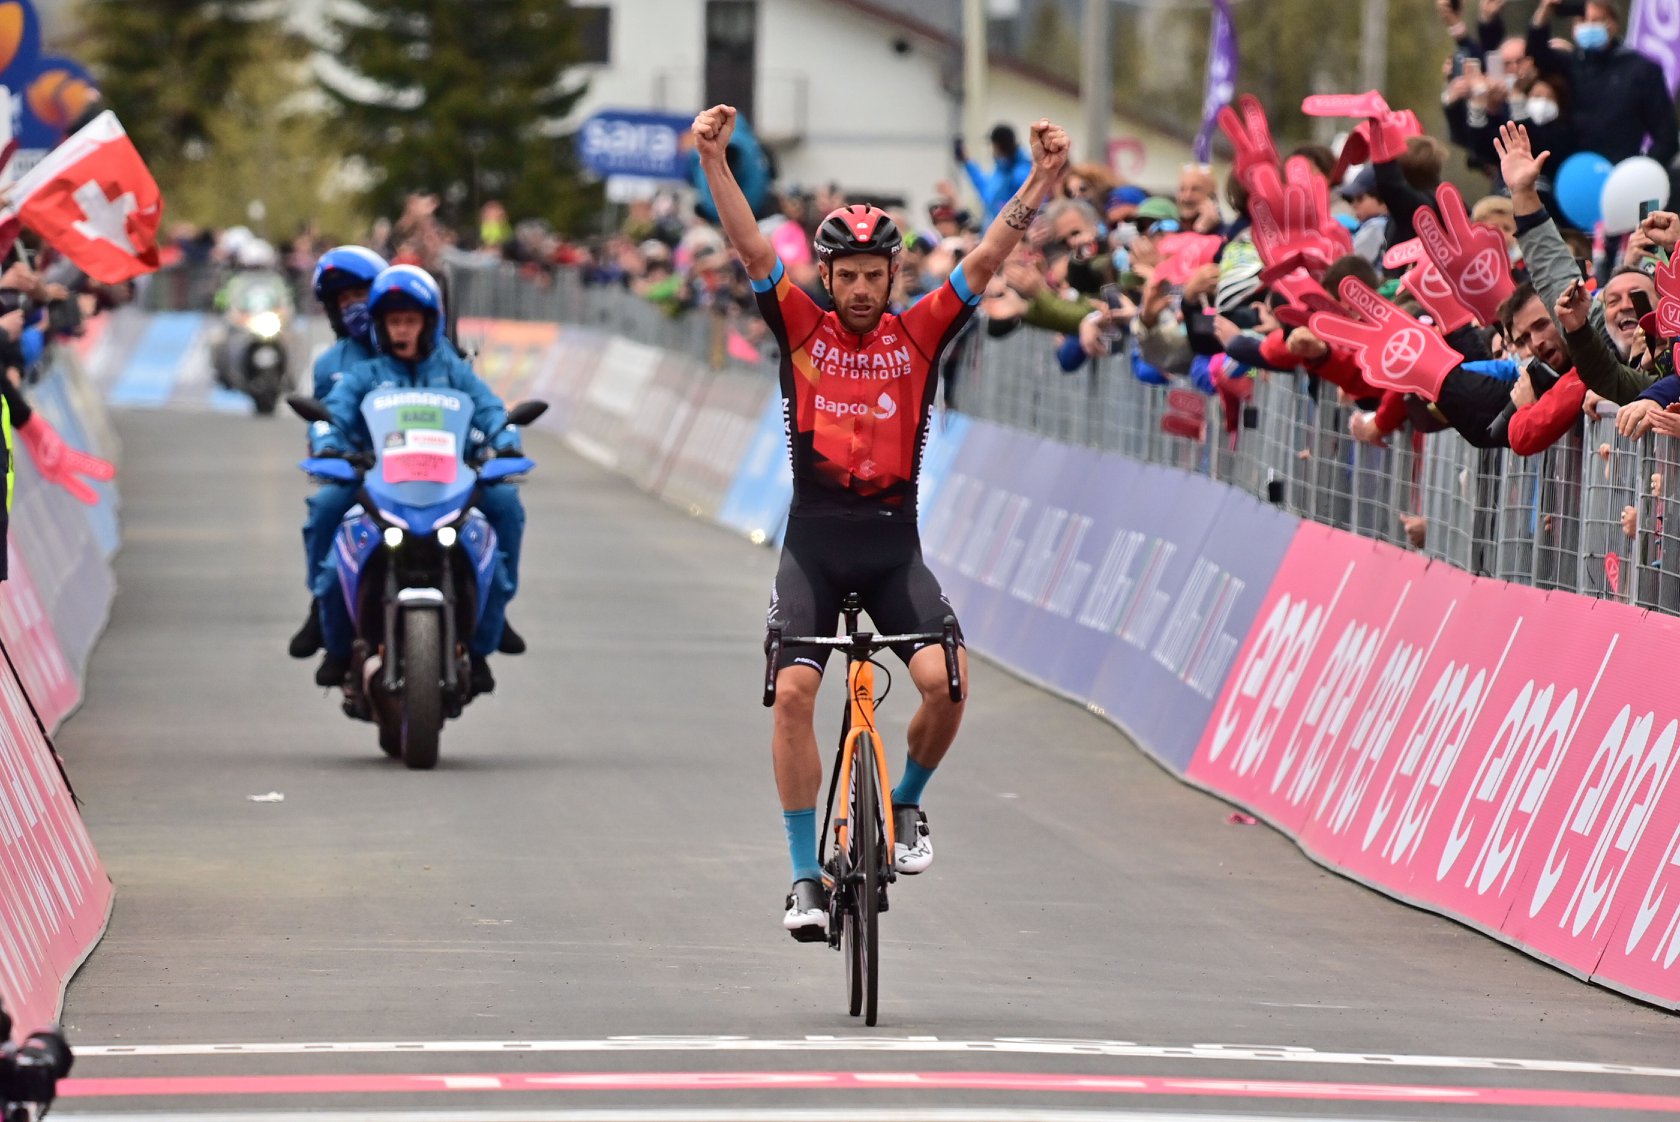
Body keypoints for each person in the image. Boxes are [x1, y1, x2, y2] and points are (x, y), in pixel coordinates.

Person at [691, 101, 1070, 939]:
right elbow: (753, 247)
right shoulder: (799, 326)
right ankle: (801, 877)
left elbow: (989, 255)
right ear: (827, 277)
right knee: (794, 696)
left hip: (895, 548)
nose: (862, 290)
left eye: (876, 275)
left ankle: (903, 806)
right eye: (848, 275)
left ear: (895, 276)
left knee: (948, 683)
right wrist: (715, 161)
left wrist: (1042, 179)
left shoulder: (922, 333)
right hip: (815, 548)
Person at [309, 265, 527, 695]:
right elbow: (334, 414)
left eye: (410, 320)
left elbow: (489, 409)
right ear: (381, 326)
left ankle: (484, 641)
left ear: (429, 323)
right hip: (379, 484)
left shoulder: (454, 366)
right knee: (329, 530)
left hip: (452, 484)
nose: (402, 329)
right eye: (394, 321)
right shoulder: (364, 373)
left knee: (504, 508)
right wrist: (330, 445)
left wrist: (506, 441)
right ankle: (334, 643)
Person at [289, 246, 388, 661]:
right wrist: (329, 446)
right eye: (342, 299)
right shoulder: (330, 362)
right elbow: (326, 415)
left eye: (360, 293)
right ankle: (324, 608)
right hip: (358, 471)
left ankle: (485, 620)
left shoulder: (419, 347)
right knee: (325, 507)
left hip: (424, 470)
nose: (353, 305)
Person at [1527, 0, 1676, 167]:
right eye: (1582, 21)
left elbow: (1666, 136)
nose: (1589, 26)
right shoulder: (1569, 65)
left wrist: (1642, 170)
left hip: (1622, 171)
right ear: (1574, 28)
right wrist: (1545, 11)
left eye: (1596, 20)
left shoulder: (1640, 70)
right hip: (1573, 172)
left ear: (1613, 24)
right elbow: (1536, 53)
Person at [957, 123, 1033, 226]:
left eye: (992, 145)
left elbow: (1032, 208)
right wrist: (967, 162)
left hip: (1013, 237)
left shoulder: (1021, 174)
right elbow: (986, 191)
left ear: (998, 145)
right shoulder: (1002, 170)